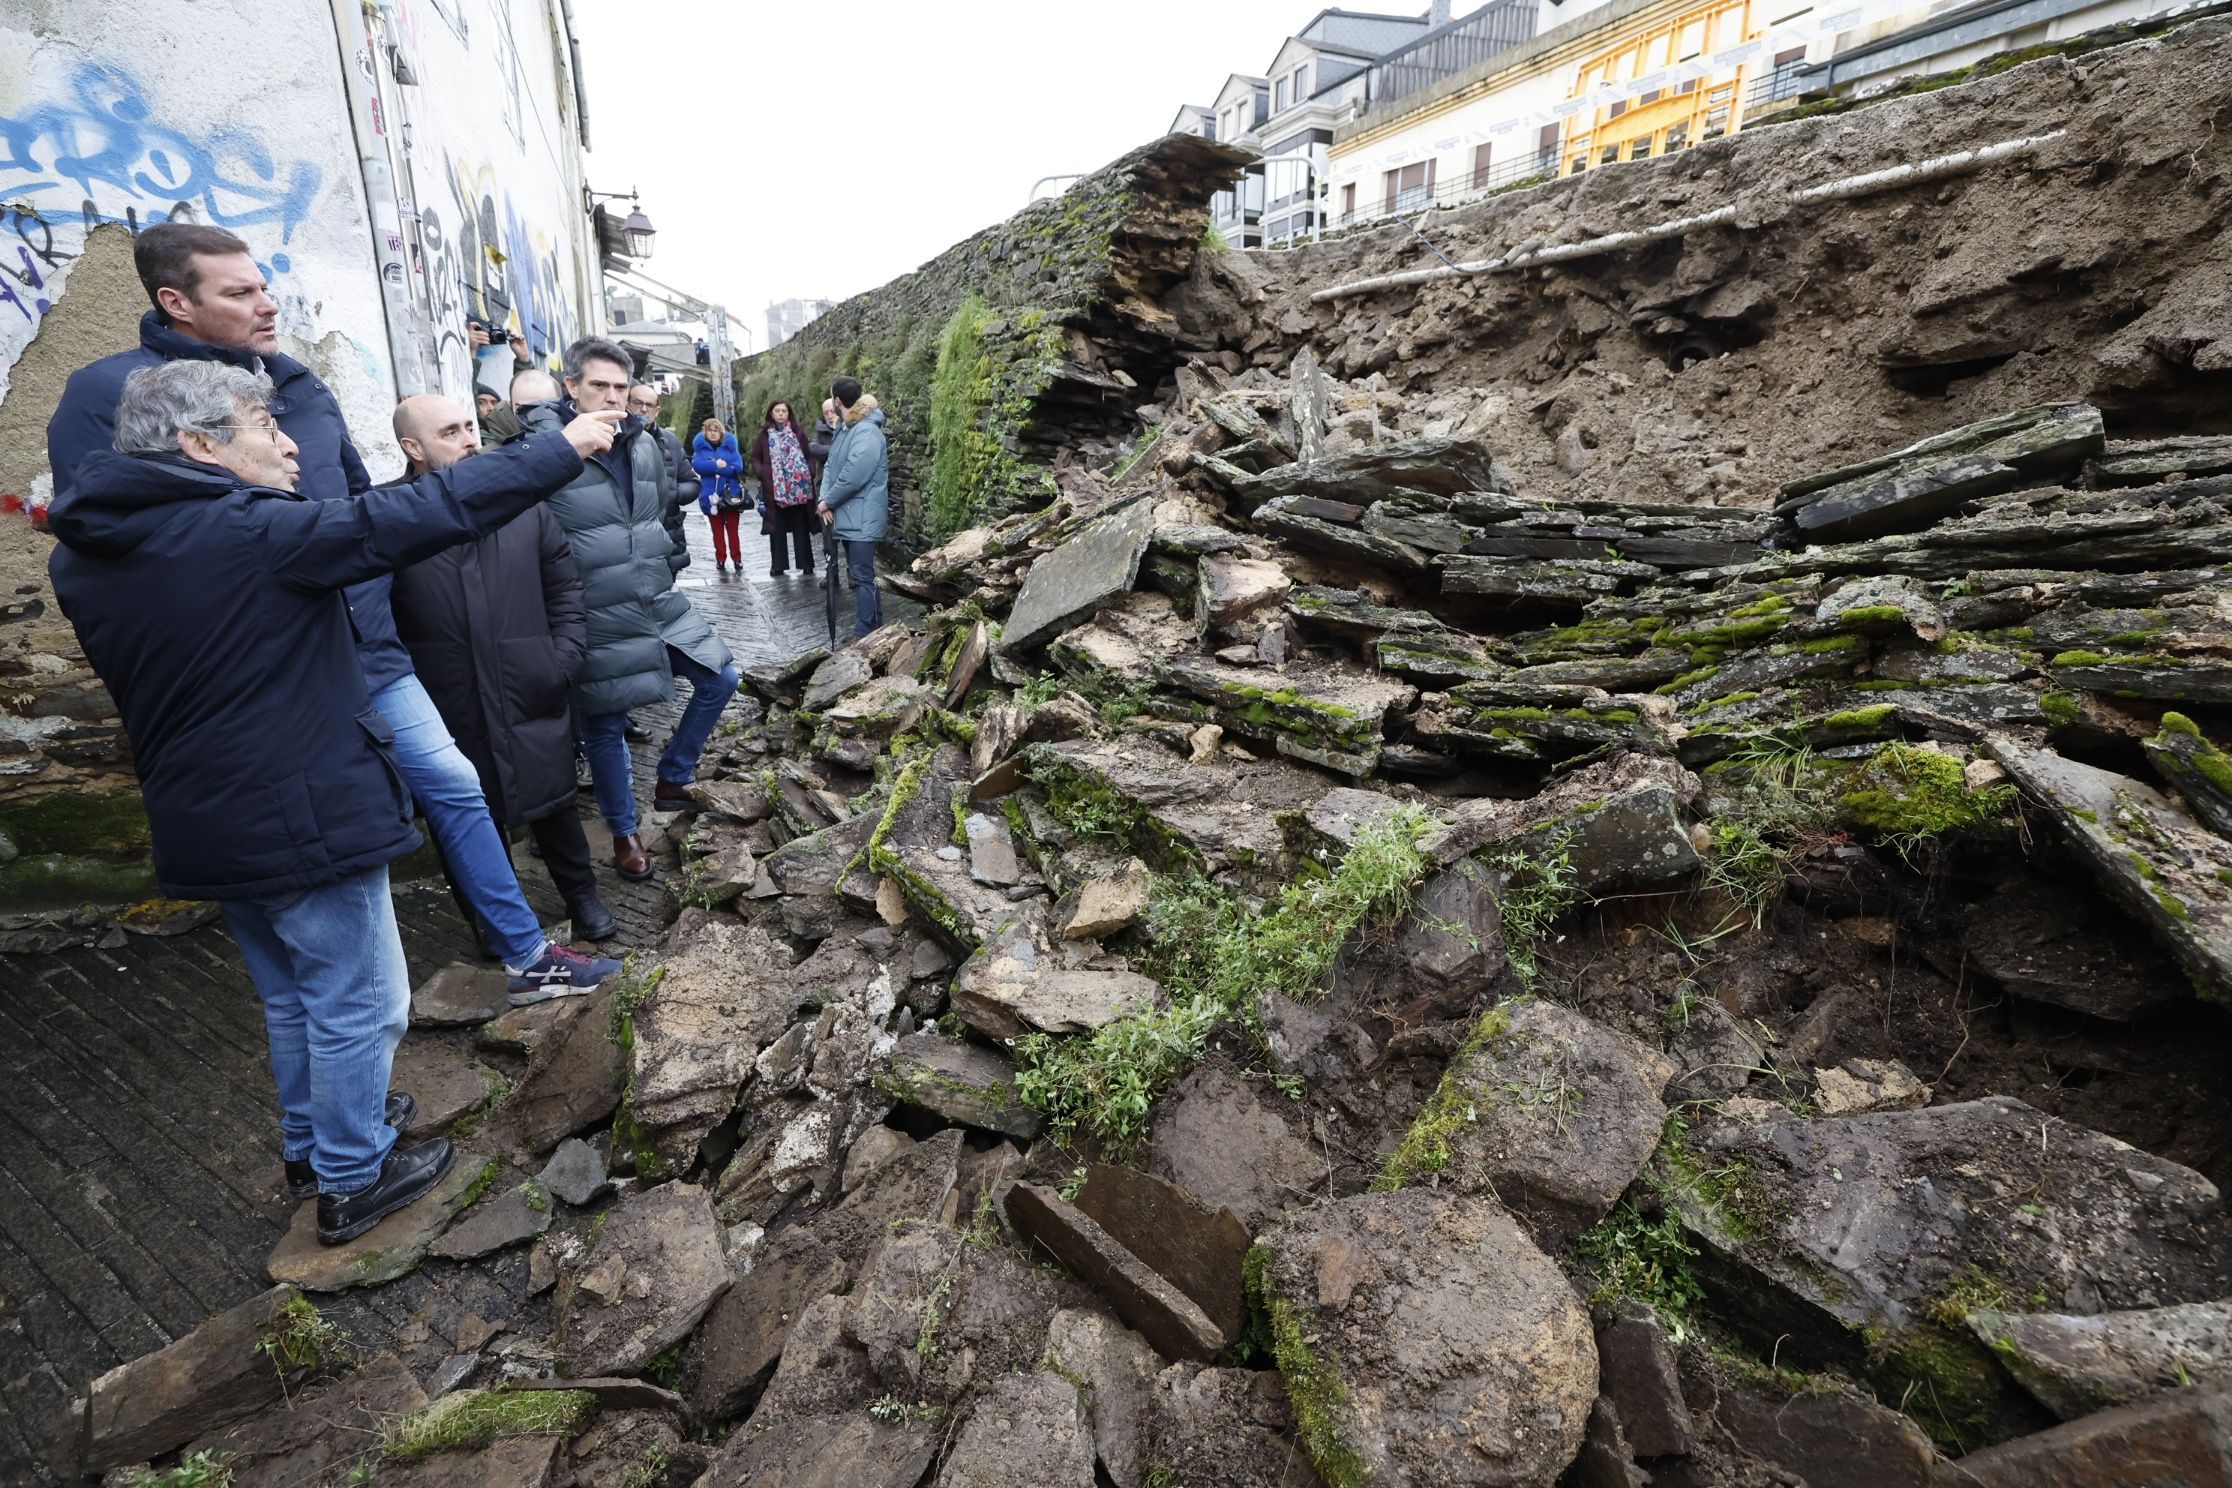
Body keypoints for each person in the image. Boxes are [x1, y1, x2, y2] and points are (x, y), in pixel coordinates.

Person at [46, 358, 621, 1243]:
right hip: (294, 805)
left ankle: (312, 1144)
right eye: (261, 426)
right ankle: (356, 1177)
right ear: (200, 446)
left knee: (291, 996)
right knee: (362, 999)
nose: (288, 444)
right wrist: (561, 448)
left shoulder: (89, 553)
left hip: (202, 809)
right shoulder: (245, 532)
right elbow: (417, 513)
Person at [46, 223, 609, 998]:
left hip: (365, 650)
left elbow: (357, 509)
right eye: (239, 292)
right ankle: (355, 1067)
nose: (267, 305)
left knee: (452, 784)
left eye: (264, 284)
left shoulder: (300, 385)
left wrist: (384, 618)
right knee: (330, 947)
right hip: (269, 669)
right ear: (175, 302)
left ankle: (521, 952)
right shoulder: (110, 392)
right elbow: (106, 534)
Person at [387, 394, 621, 946]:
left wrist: (560, 659)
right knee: (464, 820)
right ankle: (492, 925)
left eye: (471, 426)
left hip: (530, 681)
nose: (470, 438)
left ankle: (583, 899)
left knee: (556, 800)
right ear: (412, 448)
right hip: (446, 697)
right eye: (451, 431)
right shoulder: (392, 518)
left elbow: (564, 588)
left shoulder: (524, 505)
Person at [534, 338, 739, 881]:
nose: (611, 396)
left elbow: (660, 515)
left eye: (620, 387)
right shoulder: (546, 449)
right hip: (593, 609)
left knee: (722, 678)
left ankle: (675, 775)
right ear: (571, 387)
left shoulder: (645, 443)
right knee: (605, 725)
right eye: (598, 385)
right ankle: (624, 833)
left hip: (655, 597)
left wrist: (668, 559)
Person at [816, 376, 890, 637]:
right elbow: (831, 467)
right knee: (861, 575)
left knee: (862, 576)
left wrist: (828, 501)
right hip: (849, 516)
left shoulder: (867, 431)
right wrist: (823, 501)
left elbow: (853, 474)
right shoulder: (845, 429)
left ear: (837, 401)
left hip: (862, 517)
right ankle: (875, 630)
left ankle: (865, 632)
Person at [632, 384, 698, 576]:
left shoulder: (670, 442)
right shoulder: (614, 438)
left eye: (649, 405)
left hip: (667, 534)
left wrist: (672, 493)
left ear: (657, 410)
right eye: (637, 403)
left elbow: (693, 483)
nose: (643, 409)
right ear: (626, 404)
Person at [750, 400, 819, 578]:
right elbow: (755, 457)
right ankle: (778, 565)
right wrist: (762, 472)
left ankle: (806, 564)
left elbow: (808, 455)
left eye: (784, 411)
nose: (781, 414)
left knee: (801, 526)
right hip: (776, 488)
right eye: (777, 411)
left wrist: (809, 471)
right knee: (777, 527)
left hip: (799, 489)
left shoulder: (798, 433)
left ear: (789, 414)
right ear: (771, 414)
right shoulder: (764, 435)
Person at [691, 417, 746, 572]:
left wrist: (720, 469)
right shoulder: (700, 450)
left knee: (733, 530)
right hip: (711, 496)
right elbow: (698, 466)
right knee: (717, 531)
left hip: (731, 494)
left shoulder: (730, 447)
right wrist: (715, 464)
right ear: (705, 432)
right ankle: (720, 559)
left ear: (720, 432)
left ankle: (737, 558)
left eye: (716, 430)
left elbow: (738, 466)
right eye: (710, 430)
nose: (713, 433)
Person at [807, 397, 842, 577]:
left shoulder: (848, 427)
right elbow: (813, 449)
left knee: (849, 535)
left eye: (832, 411)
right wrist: (837, 450)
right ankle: (831, 572)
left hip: (844, 488)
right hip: (825, 488)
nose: (829, 415)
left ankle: (852, 573)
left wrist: (827, 450)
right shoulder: (820, 431)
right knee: (827, 534)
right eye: (826, 412)